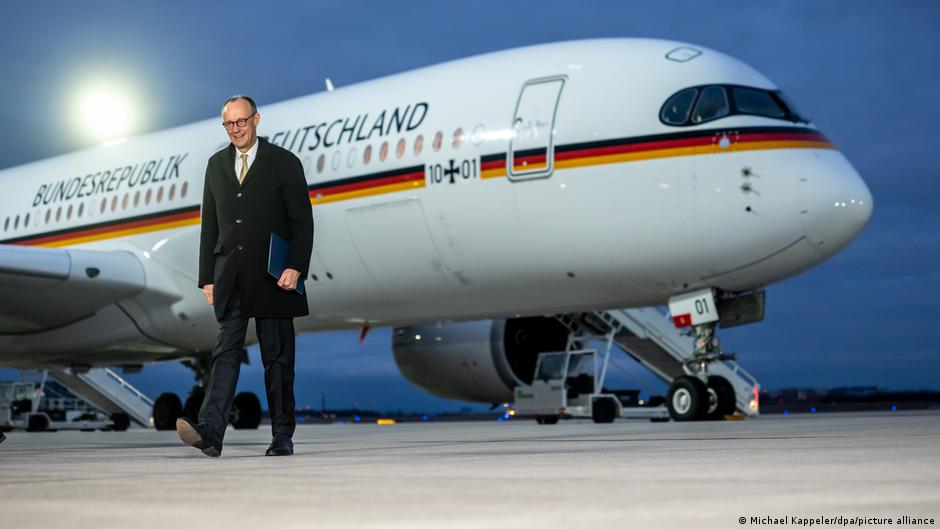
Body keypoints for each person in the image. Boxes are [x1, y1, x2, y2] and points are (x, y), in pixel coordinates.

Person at [176, 95, 313, 457]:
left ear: (256, 119)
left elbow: (302, 220)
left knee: (278, 360)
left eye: (241, 121)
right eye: (229, 124)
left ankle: (282, 435)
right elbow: (210, 225)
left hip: (273, 275)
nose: (235, 129)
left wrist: (295, 266)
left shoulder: (284, 162)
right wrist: (207, 277)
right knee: (225, 353)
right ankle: (210, 431)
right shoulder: (216, 165)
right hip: (231, 275)